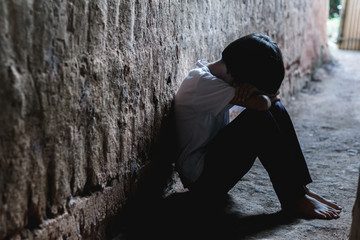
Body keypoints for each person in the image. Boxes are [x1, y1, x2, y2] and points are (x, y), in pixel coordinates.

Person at [174, 33, 342, 219]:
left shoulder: (220, 78)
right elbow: (261, 104)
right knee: (259, 120)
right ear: (239, 80)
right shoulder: (201, 84)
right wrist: (260, 94)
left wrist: (259, 92)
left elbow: (273, 99)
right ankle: (293, 199)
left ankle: (300, 190)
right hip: (202, 181)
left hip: (214, 168)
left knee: (276, 108)